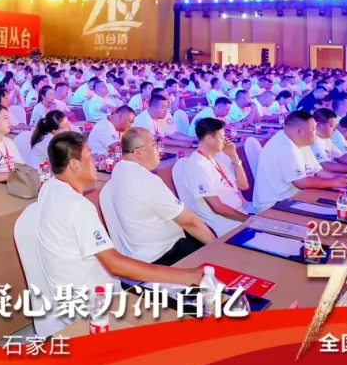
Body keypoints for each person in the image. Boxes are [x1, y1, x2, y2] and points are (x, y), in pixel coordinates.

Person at [35, 132, 204, 317]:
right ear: (75, 165)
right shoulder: (78, 206)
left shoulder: (50, 187)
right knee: (197, 310)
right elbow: (115, 265)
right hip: (98, 303)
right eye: (89, 155)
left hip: (70, 295)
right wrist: (187, 276)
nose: (94, 160)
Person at [105, 127, 215, 264]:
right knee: (207, 233)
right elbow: (189, 221)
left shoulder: (119, 169)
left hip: (138, 253)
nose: (158, 148)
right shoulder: (146, 181)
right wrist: (217, 248)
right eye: (153, 145)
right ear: (138, 152)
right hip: (162, 255)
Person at [252, 111, 347, 212]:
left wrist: (337, 178)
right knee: (332, 212)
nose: (316, 132)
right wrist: (334, 182)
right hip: (273, 204)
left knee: (337, 204)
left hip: (293, 197)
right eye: (313, 129)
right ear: (300, 131)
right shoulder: (283, 146)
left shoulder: (302, 142)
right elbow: (302, 183)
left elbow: (317, 171)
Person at [173, 118, 250, 238]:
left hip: (240, 219)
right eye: (221, 137)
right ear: (209, 139)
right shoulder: (199, 166)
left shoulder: (214, 160)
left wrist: (234, 156)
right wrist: (249, 220)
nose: (225, 141)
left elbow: (243, 185)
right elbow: (218, 208)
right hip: (228, 228)